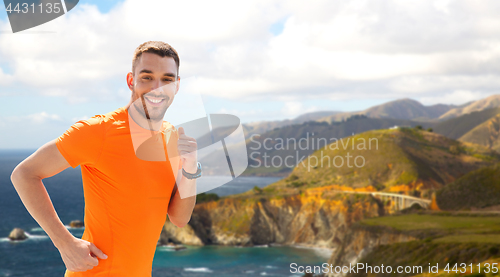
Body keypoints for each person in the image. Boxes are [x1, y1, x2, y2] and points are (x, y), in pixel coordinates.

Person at [10, 41, 199, 276]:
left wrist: (190, 169)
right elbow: (24, 174)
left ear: (177, 86)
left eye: (167, 79)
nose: (156, 88)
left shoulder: (171, 137)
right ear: (131, 80)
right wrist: (64, 243)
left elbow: (179, 218)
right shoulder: (98, 131)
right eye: (147, 77)